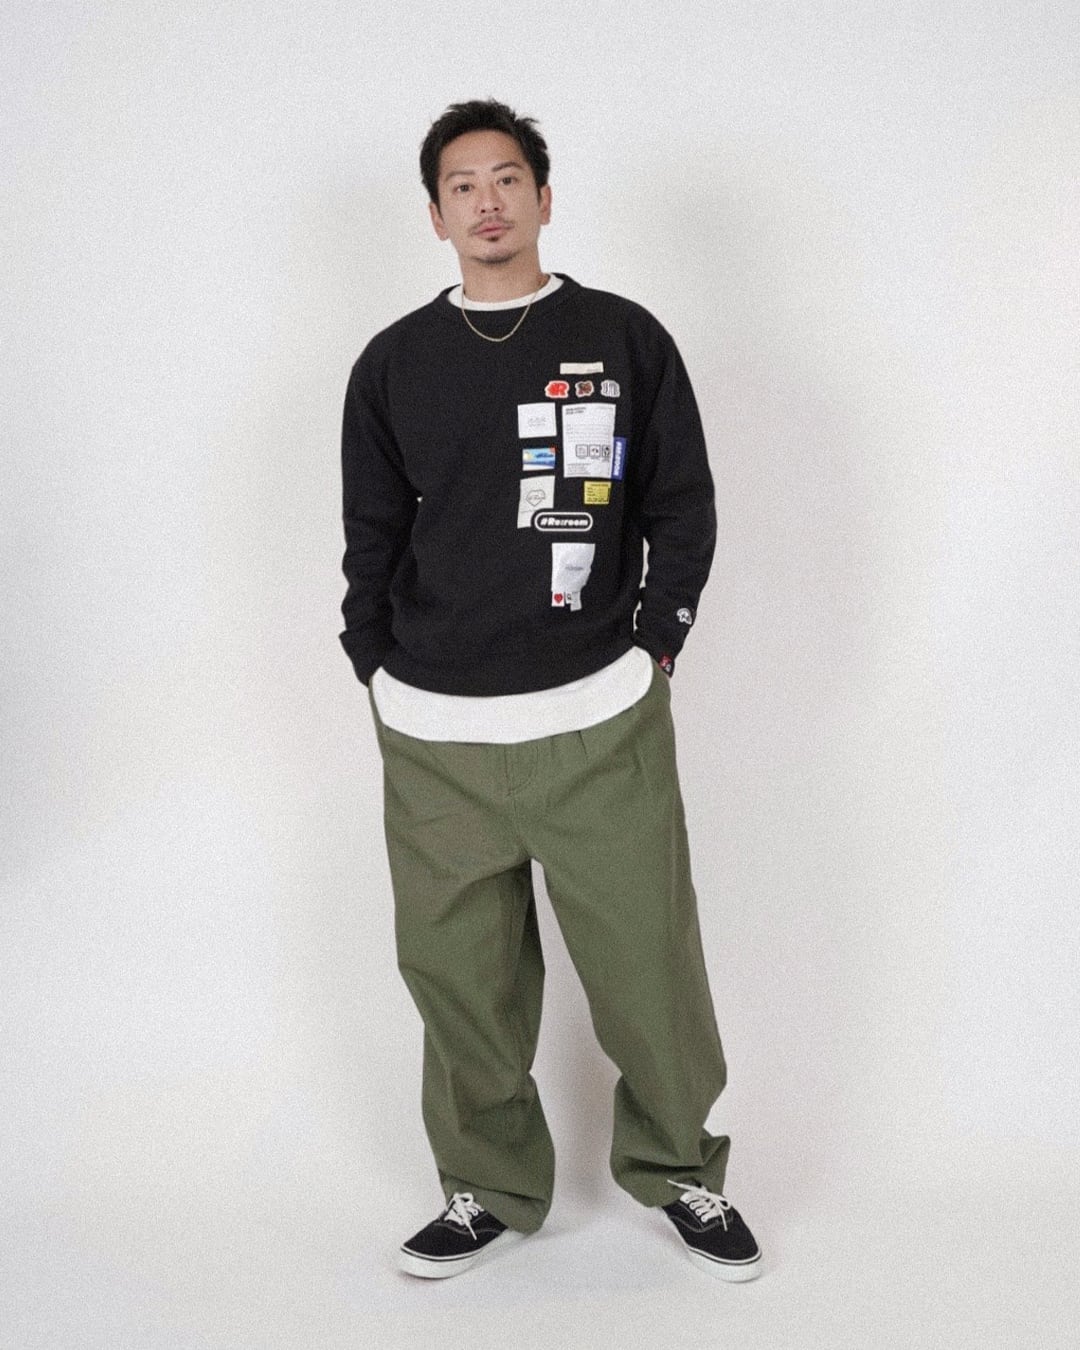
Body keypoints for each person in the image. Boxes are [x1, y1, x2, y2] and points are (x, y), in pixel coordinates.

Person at [338, 99, 761, 1283]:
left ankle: (680, 1170)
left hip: (596, 719)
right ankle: (486, 1189)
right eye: (461, 185)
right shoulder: (393, 363)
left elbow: (681, 502)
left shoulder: (621, 337)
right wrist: (372, 660)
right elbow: (371, 531)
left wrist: (656, 642)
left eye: (507, 178)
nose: (487, 201)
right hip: (436, 733)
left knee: (647, 966)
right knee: (460, 983)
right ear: (436, 215)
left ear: (544, 196)